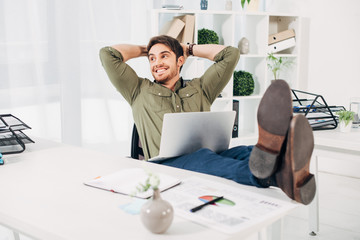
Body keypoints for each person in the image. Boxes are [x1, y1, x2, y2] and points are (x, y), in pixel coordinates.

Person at [99, 35, 316, 205]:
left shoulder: (201, 87)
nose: (156, 63)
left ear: (180, 60)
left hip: (211, 153)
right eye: (152, 59)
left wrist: (188, 48)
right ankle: (275, 175)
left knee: (248, 151)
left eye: (164, 56)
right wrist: (147, 48)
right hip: (165, 164)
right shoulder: (138, 90)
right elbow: (107, 55)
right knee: (205, 158)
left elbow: (230, 54)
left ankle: (287, 170)